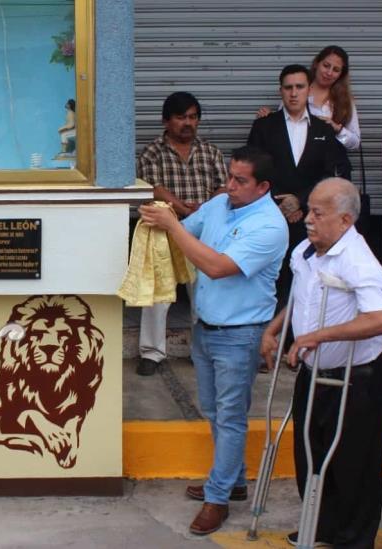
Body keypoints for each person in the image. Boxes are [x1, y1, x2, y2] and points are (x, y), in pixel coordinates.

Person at [139, 146, 288, 535]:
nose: (230, 186)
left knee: (231, 416)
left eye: (241, 181)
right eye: (229, 176)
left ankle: (218, 497)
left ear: (264, 187)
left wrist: (171, 226)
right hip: (205, 326)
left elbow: (217, 266)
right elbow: (185, 234)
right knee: (214, 410)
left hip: (240, 334)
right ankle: (232, 480)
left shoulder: (269, 226)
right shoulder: (222, 203)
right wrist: (158, 225)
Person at [260, 178, 382, 548]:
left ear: (345, 220)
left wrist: (316, 337)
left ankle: (353, 538)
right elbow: (301, 298)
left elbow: (380, 318)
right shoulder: (305, 251)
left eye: (319, 213)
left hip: (355, 379)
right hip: (313, 373)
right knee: (312, 454)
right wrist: (275, 328)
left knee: (353, 464)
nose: (309, 219)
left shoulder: (358, 261)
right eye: (310, 211)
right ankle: (321, 524)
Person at [248, 64, 350, 324]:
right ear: (280, 91)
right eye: (288, 87)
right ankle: (267, 341)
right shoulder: (264, 127)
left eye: (300, 87)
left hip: (311, 218)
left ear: (308, 90)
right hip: (270, 215)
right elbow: (253, 170)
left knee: (307, 281)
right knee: (269, 279)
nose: (294, 93)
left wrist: (301, 202)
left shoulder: (323, 130)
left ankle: (299, 343)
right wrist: (280, 202)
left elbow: (331, 174)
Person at [135, 91, 227, 376]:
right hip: (163, 230)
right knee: (158, 294)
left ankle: (203, 352)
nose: (188, 123)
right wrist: (184, 211)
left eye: (193, 117)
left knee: (204, 292)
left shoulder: (210, 151)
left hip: (204, 232)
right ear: (166, 121)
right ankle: (152, 353)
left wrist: (204, 210)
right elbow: (154, 189)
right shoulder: (153, 151)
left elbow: (224, 189)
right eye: (181, 117)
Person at [258, 46, 361, 151]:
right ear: (317, 64)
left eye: (336, 70)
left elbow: (354, 144)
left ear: (341, 74)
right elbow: (282, 134)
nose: (329, 73)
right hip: (299, 165)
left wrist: (338, 130)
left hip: (331, 165)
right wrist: (270, 120)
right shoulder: (297, 91)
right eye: (326, 66)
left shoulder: (344, 100)